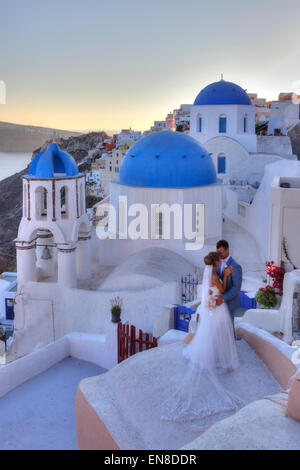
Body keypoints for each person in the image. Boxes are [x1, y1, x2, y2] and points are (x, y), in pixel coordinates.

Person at [161, 252, 244, 428]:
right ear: (215, 263)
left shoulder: (209, 274)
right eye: (218, 261)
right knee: (220, 333)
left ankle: (212, 356)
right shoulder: (214, 275)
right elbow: (221, 290)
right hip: (216, 306)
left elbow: (209, 291)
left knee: (211, 334)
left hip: (209, 307)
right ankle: (219, 359)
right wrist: (227, 276)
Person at [215, 240, 243, 339]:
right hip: (218, 301)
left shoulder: (236, 266)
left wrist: (223, 298)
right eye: (218, 252)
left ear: (228, 250)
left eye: (221, 252)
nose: (220, 254)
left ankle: (231, 349)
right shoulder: (217, 263)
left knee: (229, 329)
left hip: (229, 301)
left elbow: (236, 287)